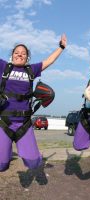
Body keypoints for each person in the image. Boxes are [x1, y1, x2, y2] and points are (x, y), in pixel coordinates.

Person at [0, 34, 67, 172]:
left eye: (23, 53)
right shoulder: (3, 67)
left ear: (27, 57)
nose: (20, 55)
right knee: (1, 166)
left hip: (24, 123)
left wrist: (61, 47)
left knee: (33, 164)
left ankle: (37, 158)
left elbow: (49, 61)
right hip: (4, 122)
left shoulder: (31, 70)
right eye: (17, 53)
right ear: (11, 56)